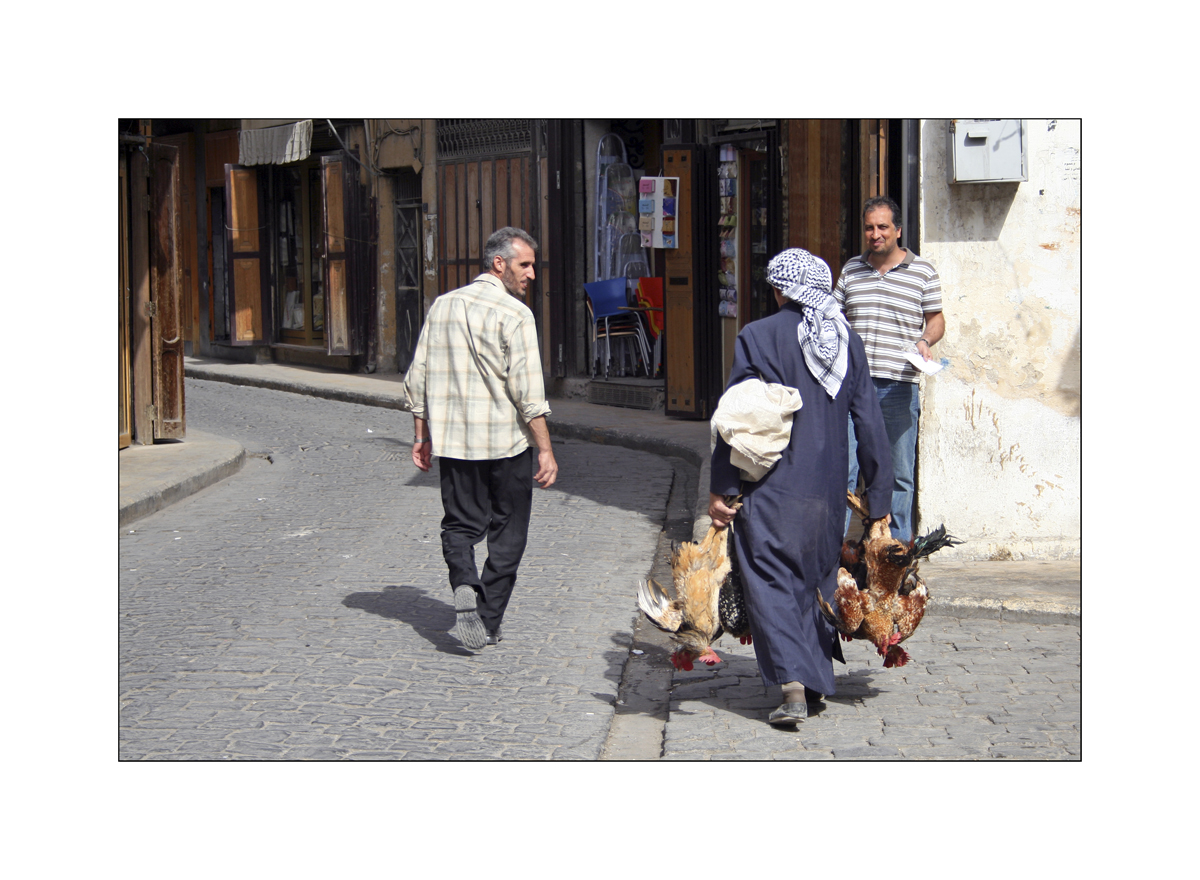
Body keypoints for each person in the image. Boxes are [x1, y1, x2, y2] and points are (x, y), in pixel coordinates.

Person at [708, 248, 893, 727]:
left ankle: (792, 685)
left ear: (778, 289)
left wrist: (723, 488)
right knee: (815, 580)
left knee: (770, 582)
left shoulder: (757, 336)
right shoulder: (844, 341)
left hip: (770, 490)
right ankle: (813, 682)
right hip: (828, 494)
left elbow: (737, 419)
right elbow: (870, 423)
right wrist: (880, 501)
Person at [403, 227, 558, 650]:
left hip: (456, 445)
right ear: (499, 264)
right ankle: (487, 620)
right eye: (525, 265)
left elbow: (417, 376)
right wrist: (544, 448)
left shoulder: (442, 306)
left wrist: (422, 434)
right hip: (507, 445)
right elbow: (529, 393)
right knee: (508, 534)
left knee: (459, 526)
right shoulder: (516, 314)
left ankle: (464, 583)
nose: (531, 274)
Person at [835, 196, 944, 543]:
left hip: (898, 387)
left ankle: (896, 550)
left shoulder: (923, 271)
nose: (875, 234)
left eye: (883, 227)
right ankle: (831, 547)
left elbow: (936, 320)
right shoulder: (851, 269)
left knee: (898, 473)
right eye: (869, 227)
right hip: (852, 387)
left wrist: (926, 340)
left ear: (897, 230)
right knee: (844, 469)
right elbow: (833, 318)